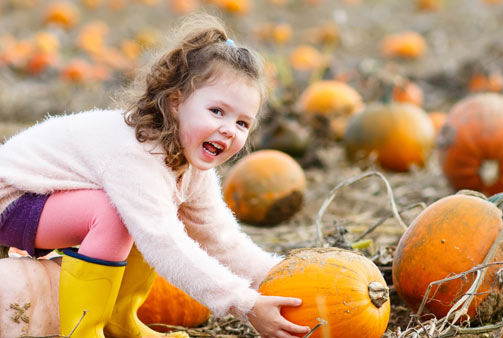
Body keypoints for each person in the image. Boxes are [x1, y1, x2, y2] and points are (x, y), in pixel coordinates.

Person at [0, 13, 310, 338]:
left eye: (242, 123)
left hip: (49, 202)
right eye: (217, 111)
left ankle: (121, 320)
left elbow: (221, 239)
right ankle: (84, 330)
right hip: (12, 199)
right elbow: (164, 242)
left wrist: (279, 276)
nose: (228, 130)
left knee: (148, 213)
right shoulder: (138, 152)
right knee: (122, 215)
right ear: (177, 103)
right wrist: (243, 303)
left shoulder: (189, 166)